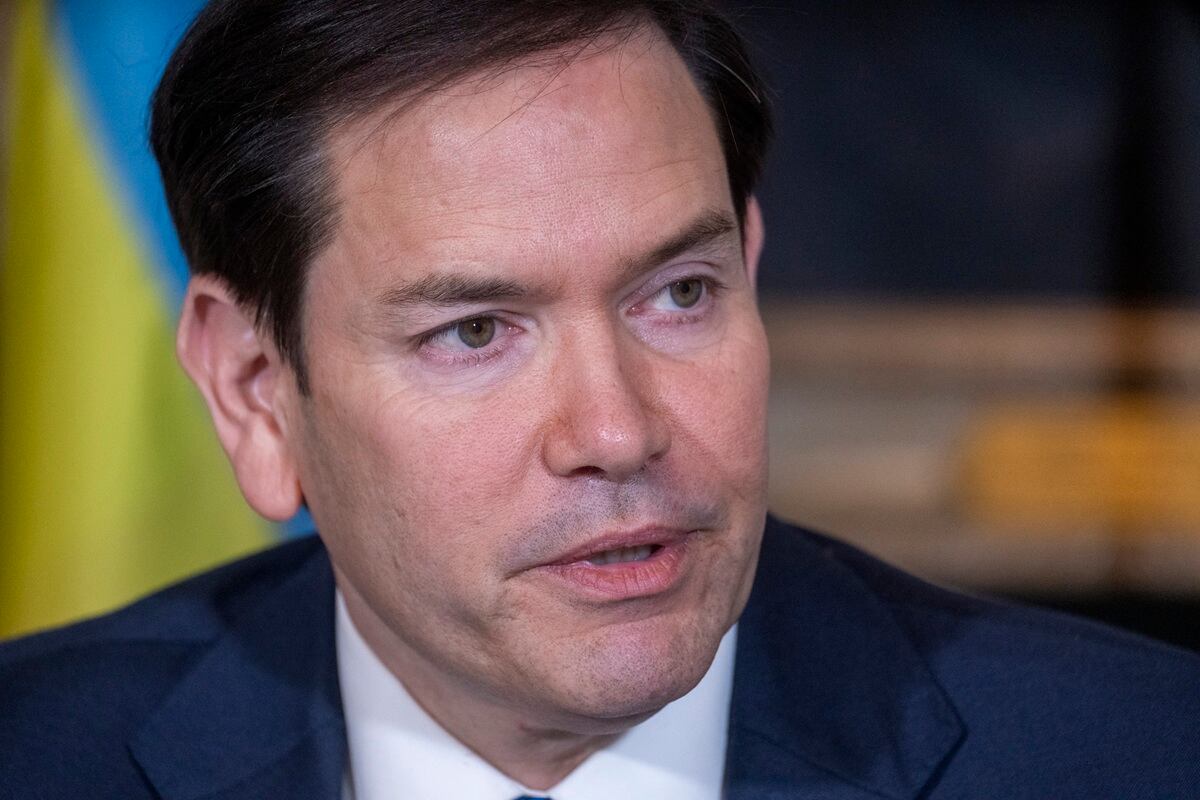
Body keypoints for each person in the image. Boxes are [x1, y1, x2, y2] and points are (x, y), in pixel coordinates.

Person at [1, 1, 1197, 797]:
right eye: (474, 330)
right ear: (256, 391)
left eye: (677, 295)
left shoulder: (1134, 751)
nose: (618, 431)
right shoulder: (38, 749)